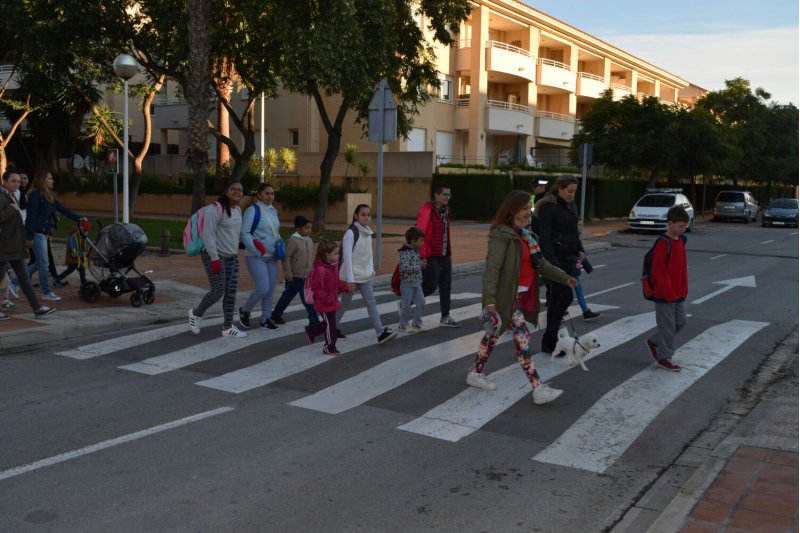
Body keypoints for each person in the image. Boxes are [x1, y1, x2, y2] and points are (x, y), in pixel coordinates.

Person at [467, 190, 577, 405]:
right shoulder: (502, 235)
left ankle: (475, 373)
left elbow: (541, 265)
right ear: (513, 209)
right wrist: (489, 301)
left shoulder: (527, 237)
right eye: (525, 208)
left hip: (520, 296)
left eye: (530, 208)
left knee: (493, 336)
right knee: (522, 338)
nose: (530, 212)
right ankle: (538, 388)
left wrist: (565, 278)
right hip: (504, 297)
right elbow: (492, 269)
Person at [534, 175, 585, 354]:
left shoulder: (567, 206)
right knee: (565, 297)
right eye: (569, 191)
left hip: (568, 258)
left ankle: (550, 341)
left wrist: (580, 249)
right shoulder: (549, 207)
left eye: (574, 192)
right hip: (555, 261)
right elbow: (545, 237)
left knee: (557, 299)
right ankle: (549, 339)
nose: (572, 195)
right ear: (559, 189)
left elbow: (573, 231)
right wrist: (553, 264)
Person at [188, 181, 246, 338]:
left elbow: (235, 234)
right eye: (233, 189)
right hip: (214, 256)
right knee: (218, 290)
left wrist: (246, 243)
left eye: (240, 190)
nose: (236, 192)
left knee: (231, 293)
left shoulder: (237, 210)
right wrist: (214, 258)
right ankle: (195, 314)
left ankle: (228, 327)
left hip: (231, 257)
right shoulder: (215, 209)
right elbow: (208, 235)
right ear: (226, 191)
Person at [337, 204, 397, 345]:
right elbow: (347, 258)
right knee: (345, 303)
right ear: (356, 216)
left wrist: (371, 271)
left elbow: (369, 255)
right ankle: (331, 327)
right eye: (363, 214)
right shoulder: (351, 233)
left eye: (369, 214)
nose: (366, 217)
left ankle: (380, 332)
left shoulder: (368, 233)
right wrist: (350, 280)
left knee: (371, 303)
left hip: (364, 275)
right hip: (350, 276)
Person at [23, 170, 87, 301]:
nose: (52, 181)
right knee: (44, 264)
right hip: (37, 233)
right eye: (50, 179)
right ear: (43, 180)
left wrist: (79, 218)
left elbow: (63, 209)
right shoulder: (35, 195)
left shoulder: (48, 196)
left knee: (40, 263)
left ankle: (14, 282)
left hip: (43, 233)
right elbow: (31, 217)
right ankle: (46, 292)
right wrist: (29, 237)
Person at [0, 171, 55, 320]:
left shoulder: (12, 196)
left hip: (14, 245)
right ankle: (37, 307)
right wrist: (12, 210)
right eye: (13, 181)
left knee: (24, 278)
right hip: (4, 245)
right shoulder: (3, 197)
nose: (17, 184)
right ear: (4, 181)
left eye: (18, 181)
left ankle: (37, 308)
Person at [644, 205, 689, 372]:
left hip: (678, 292)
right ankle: (664, 357)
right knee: (667, 326)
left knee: (681, 321)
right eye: (680, 226)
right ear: (670, 223)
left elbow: (682, 268)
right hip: (665, 294)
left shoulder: (681, 240)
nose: (683, 229)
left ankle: (654, 341)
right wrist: (668, 292)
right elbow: (658, 271)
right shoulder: (663, 243)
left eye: (685, 225)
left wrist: (683, 289)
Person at [416, 181, 460, 328]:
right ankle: (406, 302)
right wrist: (422, 255)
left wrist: (449, 253)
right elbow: (420, 232)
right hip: (431, 255)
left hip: (444, 255)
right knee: (430, 285)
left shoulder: (446, 210)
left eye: (449, 194)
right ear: (436, 195)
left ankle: (445, 316)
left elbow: (446, 233)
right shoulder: (427, 210)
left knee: (446, 285)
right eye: (444, 194)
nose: (447, 197)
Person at [239, 183, 281, 330]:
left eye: (272, 193)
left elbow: (274, 232)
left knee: (270, 290)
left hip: (272, 256)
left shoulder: (273, 211)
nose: (270, 196)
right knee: (262, 288)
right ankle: (245, 310)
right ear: (259, 195)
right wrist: (257, 250)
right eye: (267, 193)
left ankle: (265, 319)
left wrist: (280, 245)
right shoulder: (252, 210)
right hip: (255, 255)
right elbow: (244, 233)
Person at [269, 215, 319, 326]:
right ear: (298, 228)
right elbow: (286, 258)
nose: (309, 230)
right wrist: (288, 274)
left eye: (310, 228)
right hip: (295, 276)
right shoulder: (292, 241)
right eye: (306, 228)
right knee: (290, 297)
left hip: (305, 275)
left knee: (302, 298)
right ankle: (314, 320)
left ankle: (276, 315)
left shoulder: (309, 240)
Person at [305, 241, 352, 356]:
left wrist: (345, 287)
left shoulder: (333, 267)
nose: (338, 256)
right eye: (335, 253)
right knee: (331, 325)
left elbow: (335, 283)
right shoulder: (320, 270)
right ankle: (329, 347)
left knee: (328, 323)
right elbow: (316, 288)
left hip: (332, 301)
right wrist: (326, 298)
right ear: (326, 255)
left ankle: (312, 330)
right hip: (323, 303)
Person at [397, 226, 425, 333]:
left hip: (416, 282)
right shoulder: (404, 252)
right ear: (413, 241)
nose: (422, 243)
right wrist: (419, 266)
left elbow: (416, 264)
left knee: (421, 302)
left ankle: (417, 322)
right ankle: (403, 324)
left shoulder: (415, 250)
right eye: (421, 240)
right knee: (406, 304)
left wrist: (421, 266)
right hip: (406, 284)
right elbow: (404, 268)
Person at [573, 219, 602, 321]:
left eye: (581, 225)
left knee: (577, 289)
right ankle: (585, 312)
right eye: (579, 224)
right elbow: (576, 249)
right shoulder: (571, 235)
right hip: (571, 266)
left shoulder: (575, 234)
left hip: (572, 266)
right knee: (574, 290)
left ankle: (585, 311)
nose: (580, 226)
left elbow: (579, 250)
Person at [54, 222, 89, 288]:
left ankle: (57, 279)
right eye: (86, 231)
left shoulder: (78, 235)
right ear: (82, 230)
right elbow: (73, 247)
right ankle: (84, 283)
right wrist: (75, 255)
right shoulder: (74, 235)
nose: (87, 232)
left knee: (70, 270)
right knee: (81, 268)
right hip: (73, 257)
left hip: (74, 257)